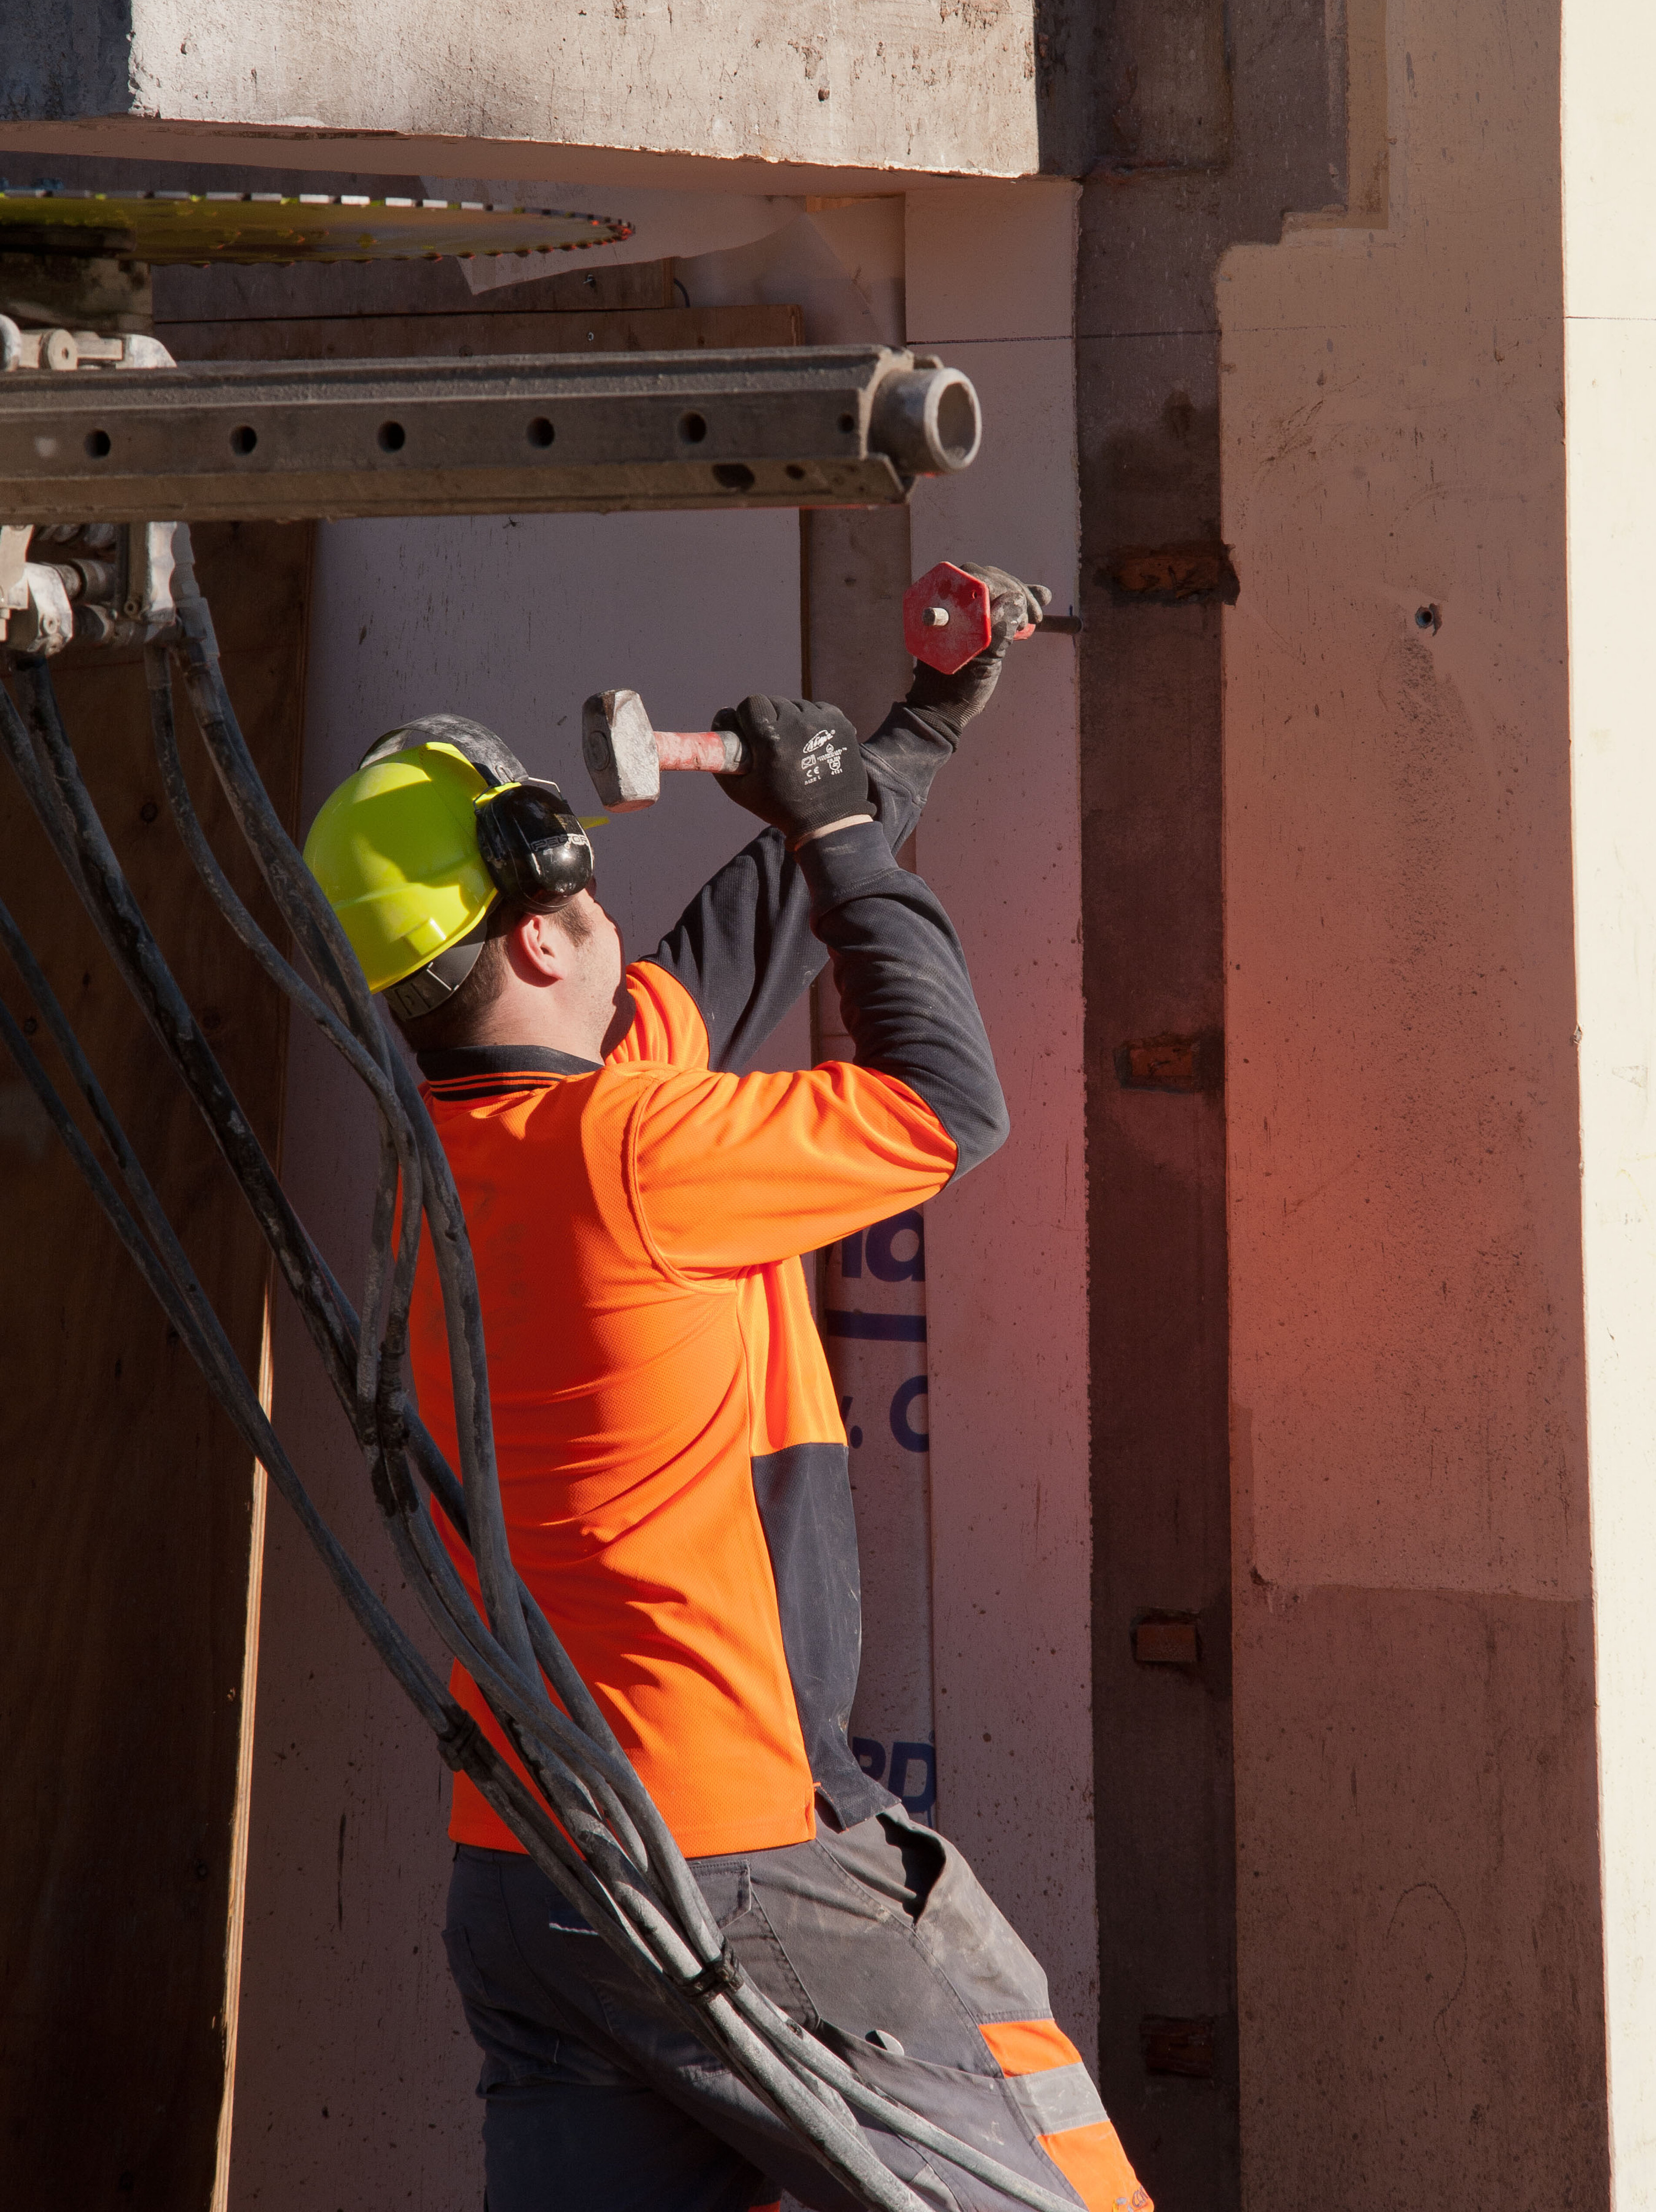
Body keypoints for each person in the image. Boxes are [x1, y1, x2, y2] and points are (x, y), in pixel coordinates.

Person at [304, 568, 1150, 2212]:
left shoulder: (457, 1164)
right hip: (733, 1860)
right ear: (541, 930)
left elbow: (733, 951)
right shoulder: (633, 1156)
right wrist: (842, 842)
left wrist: (905, 740)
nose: (620, 914)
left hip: (534, 1885)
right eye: (587, 891)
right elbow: (946, 1106)